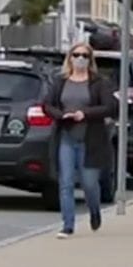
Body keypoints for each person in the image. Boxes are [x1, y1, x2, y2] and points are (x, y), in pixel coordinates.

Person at [43, 42, 117, 238]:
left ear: (90, 60)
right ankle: (68, 225)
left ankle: (95, 211)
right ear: (70, 58)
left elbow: (109, 107)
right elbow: (48, 105)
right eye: (76, 55)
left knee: (89, 184)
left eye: (85, 56)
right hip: (66, 137)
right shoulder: (60, 82)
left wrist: (85, 113)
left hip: (90, 140)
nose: (80, 59)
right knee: (66, 182)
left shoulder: (99, 82)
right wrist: (61, 115)